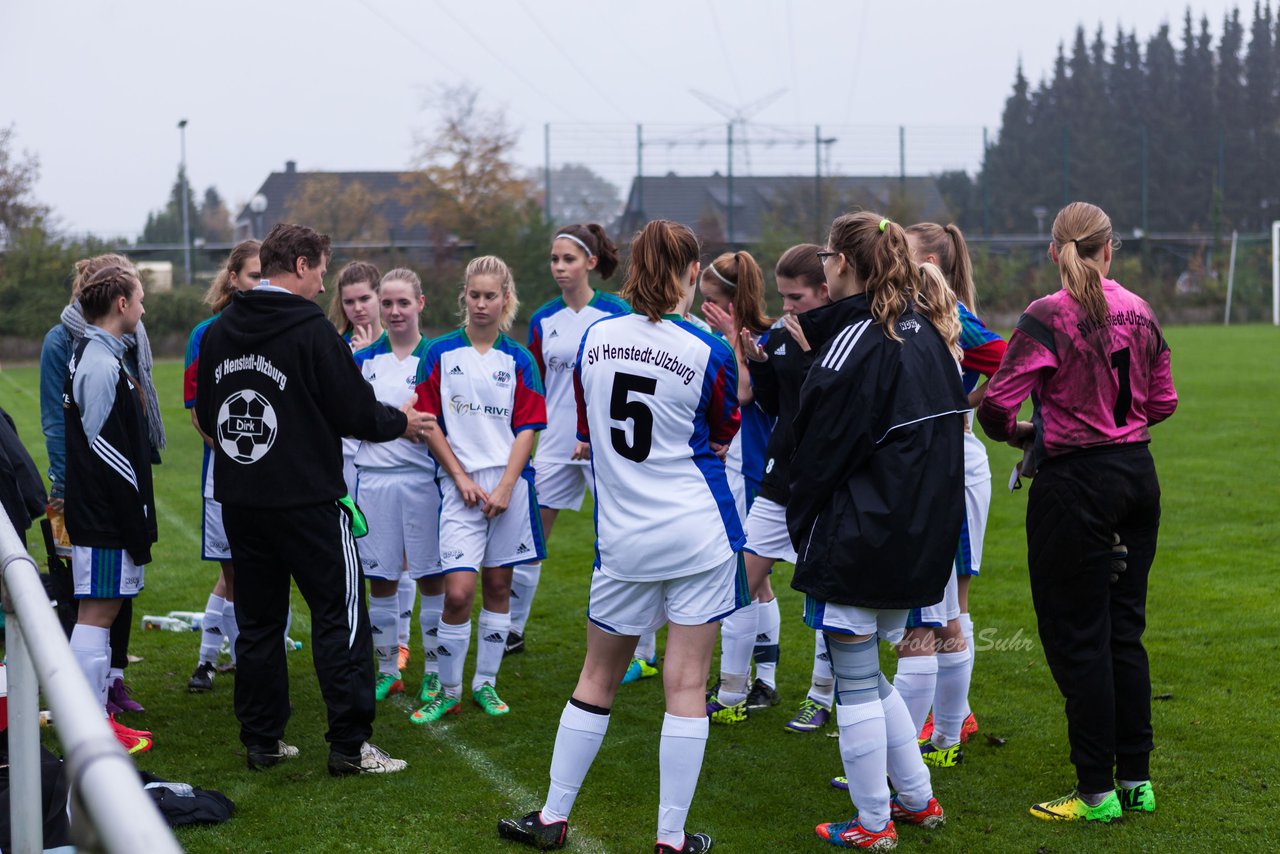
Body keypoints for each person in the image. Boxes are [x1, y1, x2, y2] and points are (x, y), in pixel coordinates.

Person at [498, 219, 743, 854]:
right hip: (698, 533)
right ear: (693, 273)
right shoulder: (709, 348)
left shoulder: (596, 337)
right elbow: (725, 428)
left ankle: (552, 817)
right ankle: (670, 838)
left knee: (596, 678)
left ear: (630, 267)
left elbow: (585, 428)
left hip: (625, 540)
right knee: (686, 685)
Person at [195, 223, 434, 776]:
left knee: (257, 621)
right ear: (300, 265)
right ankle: (350, 746)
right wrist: (402, 421)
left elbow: (209, 416)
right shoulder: (310, 328)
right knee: (340, 616)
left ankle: (262, 740)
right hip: (309, 503)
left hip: (242, 502)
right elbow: (355, 412)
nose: (325, 281)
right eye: (323, 269)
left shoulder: (220, 329)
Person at [977, 201, 1177, 822]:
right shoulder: (1140, 309)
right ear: (1109, 247)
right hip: (1137, 478)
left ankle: (1095, 793)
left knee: (1079, 639)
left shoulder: (1047, 315)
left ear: (1054, 251)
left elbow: (994, 408)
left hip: (1075, 486)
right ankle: (1135, 782)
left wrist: (1027, 436)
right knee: (1124, 632)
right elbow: (1163, 401)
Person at [788, 212, 967, 849]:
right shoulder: (926, 332)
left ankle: (872, 825)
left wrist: (797, 520)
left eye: (828, 256)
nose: (824, 265)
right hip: (920, 534)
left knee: (855, 679)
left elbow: (818, 447)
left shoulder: (859, 336)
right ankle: (916, 800)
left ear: (842, 263)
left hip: (863, 532)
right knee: (869, 674)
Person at [410, 255, 547, 722]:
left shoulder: (520, 358)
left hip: (509, 486)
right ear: (463, 297)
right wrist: (461, 478)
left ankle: (485, 684)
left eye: (491, 296)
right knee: (457, 593)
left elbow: (528, 428)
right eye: (474, 295)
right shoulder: (439, 353)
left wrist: (506, 487)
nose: (482, 304)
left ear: (506, 299)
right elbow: (427, 424)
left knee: (498, 585)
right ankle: (447, 689)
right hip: (459, 487)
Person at [40, 253, 162, 735]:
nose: (144, 311)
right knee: (95, 615)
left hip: (105, 514)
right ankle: (89, 725)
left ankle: (94, 719)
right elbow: (105, 453)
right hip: (105, 518)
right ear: (120, 302)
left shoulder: (103, 352)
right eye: (140, 300)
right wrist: (135, 517)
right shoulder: (97, 361)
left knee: (100, 612)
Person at [902, 222, 1007, 755]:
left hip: (955, 463)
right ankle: (954, 717)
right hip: (930, 465)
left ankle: (944, 730)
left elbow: (1011, 360)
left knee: (942, 607)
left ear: (931, 265)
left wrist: (963, 404)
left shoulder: (951, 316)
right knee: (941, 604)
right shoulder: (907, 312)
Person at [733, 244, 837, 734]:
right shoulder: (780, 334)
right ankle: (731, 689)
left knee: (827, 596)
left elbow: (840, 404)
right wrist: (761, 362)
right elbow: (775, 405)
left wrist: (812, 354)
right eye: (782, 296)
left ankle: (820, 697)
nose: (787, 307)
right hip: (779, 481)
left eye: (796, 297)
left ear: (825, 290)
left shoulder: (848, 335)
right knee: (738, 584)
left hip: (828, 486)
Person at [511, 224, 627, 657]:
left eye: (569, 259)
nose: (560, 268)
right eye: (555, 259)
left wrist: (591, 433)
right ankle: (512, 631)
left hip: (606, 443)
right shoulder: (543, 319)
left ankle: (639, 647)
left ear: (591, 264)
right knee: (529, 537)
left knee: (620, 538)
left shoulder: (617, 314)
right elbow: (538, 386)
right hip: (556, 443)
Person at [352, 268, 446, 710]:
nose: (393, 311)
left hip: (422, 483)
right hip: (373, 482)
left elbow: (438, 423)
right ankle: (388, 672)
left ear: (420, 303)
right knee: (382, 581)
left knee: (431, 578)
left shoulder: (439, 356)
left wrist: (394, 422)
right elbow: (353, 421)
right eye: (386, 303)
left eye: (402, 303)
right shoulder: (363, 360)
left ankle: (434, 676)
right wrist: (397, 422)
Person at [697, 250, 782, 721]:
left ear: (732, 302)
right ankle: (764, 683)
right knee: (759, 582)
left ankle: (732, 693)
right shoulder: (719, 336)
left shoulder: (759, 336)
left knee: (740, 582)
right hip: (732, 467)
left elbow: (744, 392)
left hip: (753, 469)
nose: (704, 307)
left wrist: (732, 338)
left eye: (712, 301)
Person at [184, 240, 261, 692]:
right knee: (233, 572)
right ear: (234, 279)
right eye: (252, 275)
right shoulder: (206, 333)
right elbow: (199, 410)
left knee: (264, 572)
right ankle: (227, 663)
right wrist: (242, 455)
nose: (259, 283)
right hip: (227, 475)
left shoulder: (281, 328)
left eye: (264, 275)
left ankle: (232, 661)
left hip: (274, 480)